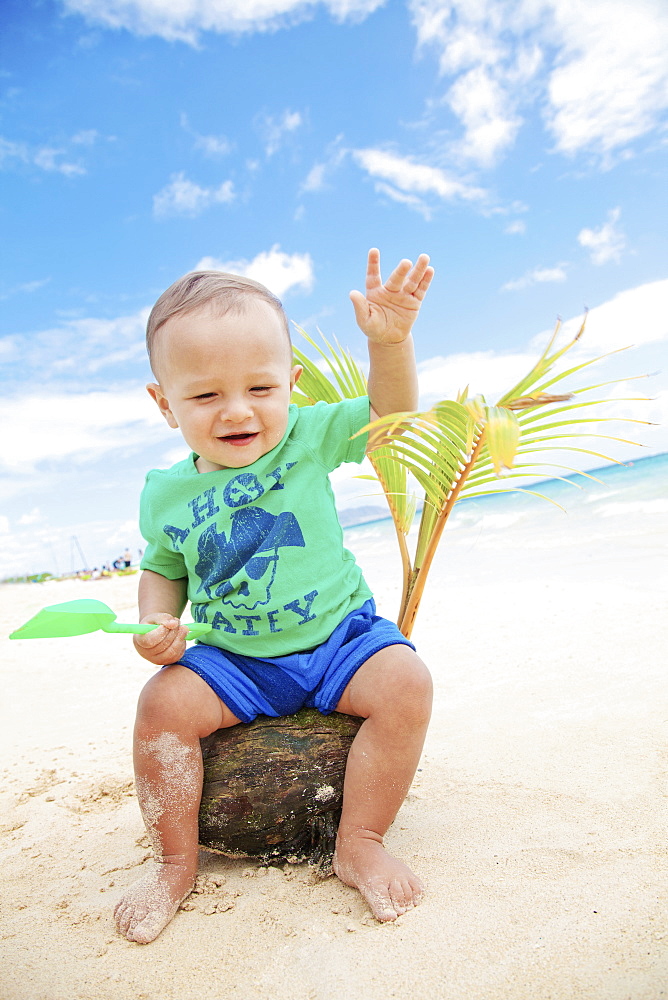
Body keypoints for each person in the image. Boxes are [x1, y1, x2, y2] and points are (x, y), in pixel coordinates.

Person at [114, 248, 434, 944]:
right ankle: (174, 861)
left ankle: (361, 840)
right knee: (161, 705)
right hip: (237, 659)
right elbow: (163, 567)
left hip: (339, 639)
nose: (237, 411)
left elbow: (392, 415)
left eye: (260, 388)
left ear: (291, 384)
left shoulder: (309, 437)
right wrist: (156, 618)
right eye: (204, 396)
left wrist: (392, 342)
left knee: (405, 680)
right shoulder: (164, 494)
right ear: (164, 403)